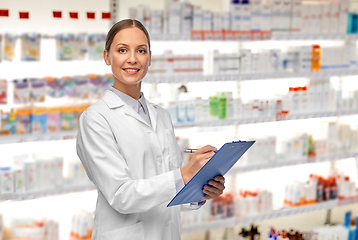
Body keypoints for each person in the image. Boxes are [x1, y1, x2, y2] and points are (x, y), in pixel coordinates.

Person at [76, 19, 226, 240]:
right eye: (122, 50)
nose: (132, 59)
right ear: (107, 57)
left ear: (149, 58)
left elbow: (168, 191)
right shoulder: (96, 118)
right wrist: (184, 175)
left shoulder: (161, 115)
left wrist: (199, 191)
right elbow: (121, 195)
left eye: (141, 50)